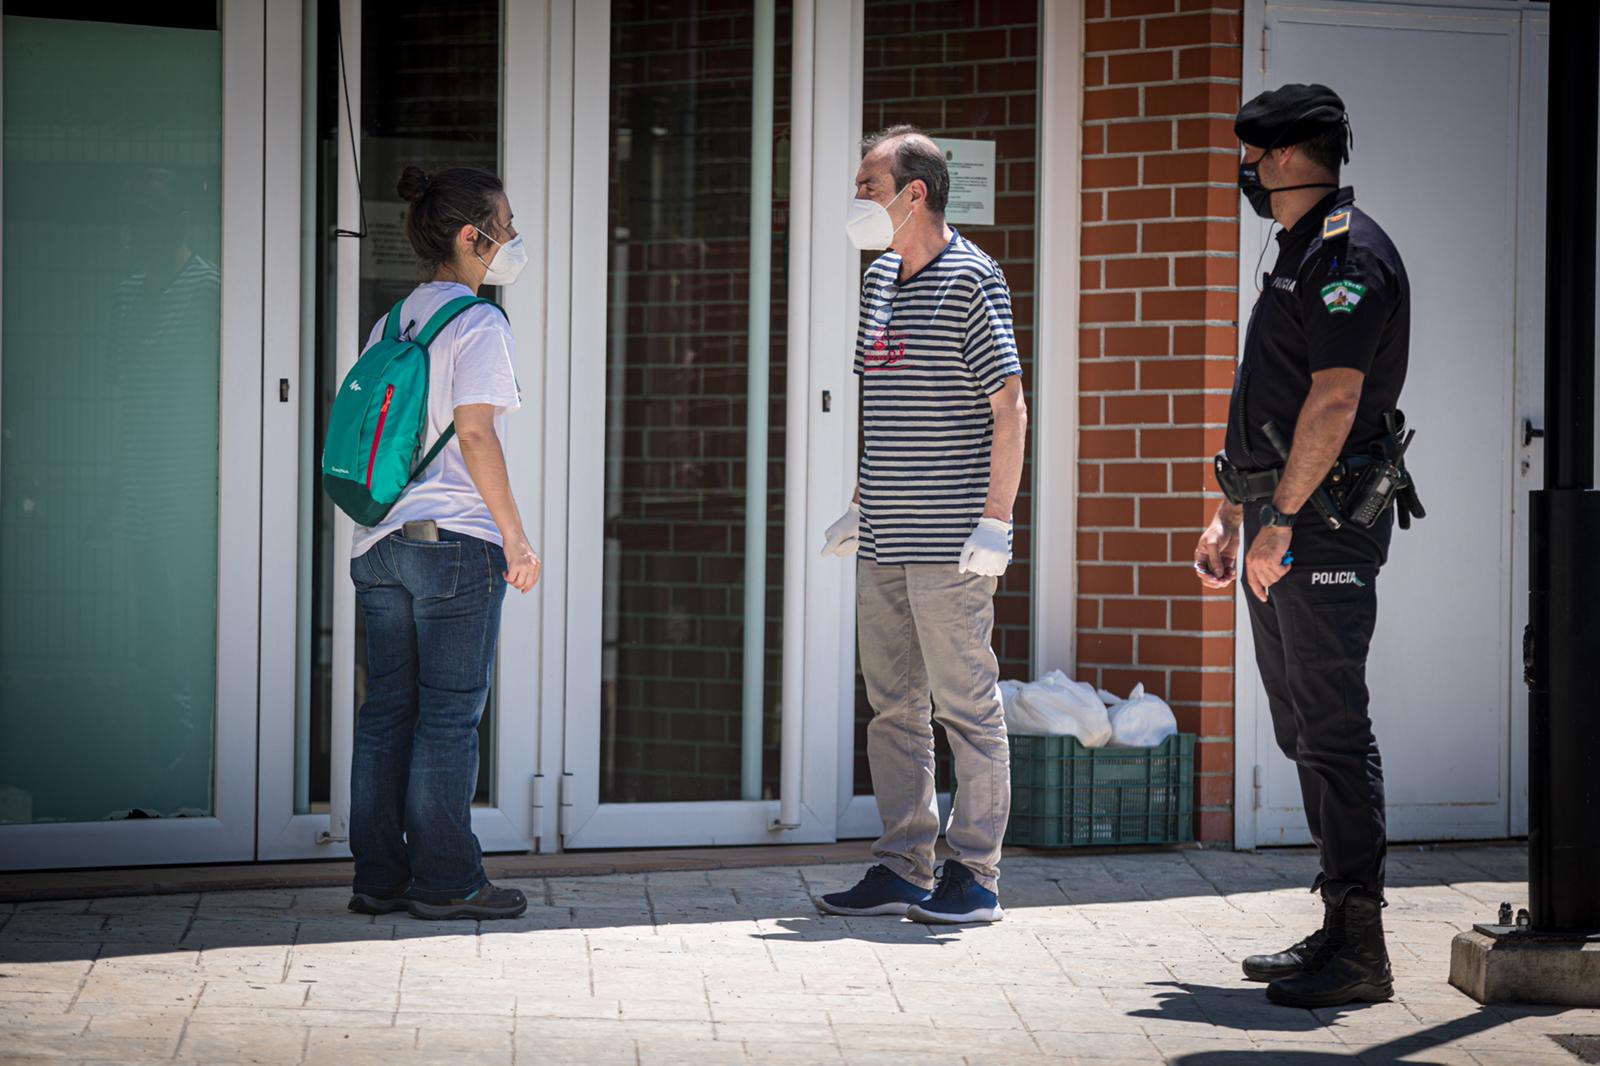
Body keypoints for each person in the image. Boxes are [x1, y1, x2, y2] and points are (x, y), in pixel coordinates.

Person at [1195, 85, 1415, 1007]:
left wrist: (1278, 521)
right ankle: (1337, 929)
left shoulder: (1348, 256)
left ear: (1285, 158)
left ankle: (1362, 951)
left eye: (1251, 157)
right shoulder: (1295, 249)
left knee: (1332, 729)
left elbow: (1332, 402)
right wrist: (1229, 513)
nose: (1244, 172)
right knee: (1301, 731)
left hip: (1319, 528)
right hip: (1279, 521)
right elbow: (1271, 397)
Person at [816, 126, 1027, 925]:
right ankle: (904, 864)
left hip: (952, 545)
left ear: (915, 193)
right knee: (893, 708)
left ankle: (975, 876)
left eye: (868, 184)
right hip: (886, 538)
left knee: (966, 708)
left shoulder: (975, 278)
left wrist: (996, 521)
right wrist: (863, 504)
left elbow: (1009, 407)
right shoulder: (877, 282)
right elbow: (887, 409)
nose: (859, 199)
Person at [346, 165, 540, 921]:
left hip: (383, 541)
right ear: (472, 237)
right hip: (456, 543)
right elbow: (475, 431)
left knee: (387, 712)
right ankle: (448, 881)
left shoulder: (391, 323)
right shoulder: (480, 324)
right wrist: (516, 540)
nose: (514, 240)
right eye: (507, 226)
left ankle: (379, 877)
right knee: (449, 716)